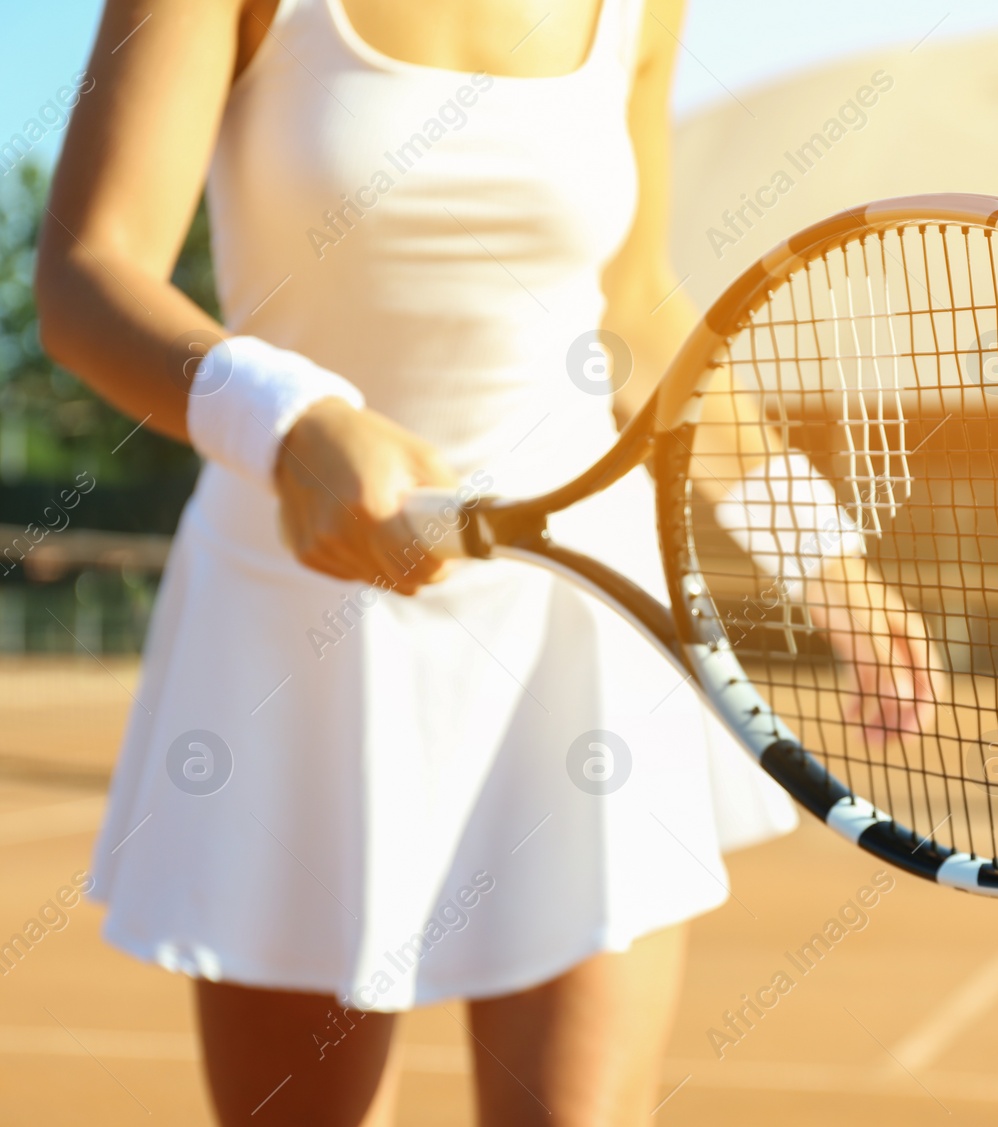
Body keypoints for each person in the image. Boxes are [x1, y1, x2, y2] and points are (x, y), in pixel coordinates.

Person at [35, 2, 937, 1124]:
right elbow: (87, 272)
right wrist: (289, 418)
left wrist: (818, 554)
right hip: (293, 625)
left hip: (576, 624)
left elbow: (634, 310)